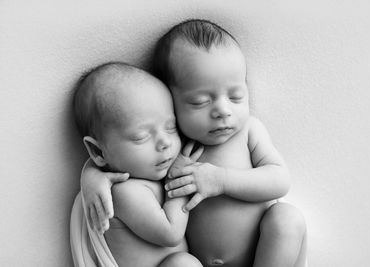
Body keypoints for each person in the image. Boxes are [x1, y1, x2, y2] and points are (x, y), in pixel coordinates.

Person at [81, 20, 307, 267]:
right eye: (200, 101)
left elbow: (279, 180)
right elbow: (121, 165)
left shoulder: (249, 131)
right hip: (194, 262)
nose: (223, 110)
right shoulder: (173, 146)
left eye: (236, 96)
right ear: (171, 103)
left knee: (288, 218)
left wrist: (221, 180)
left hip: (258, 257)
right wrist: (91, 178)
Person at [73, 62, 203, 267]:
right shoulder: (125, 192)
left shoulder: (150, 172)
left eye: (171, 128)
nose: (165, 143)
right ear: (98, 151)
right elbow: (171, 233)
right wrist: (178, 183)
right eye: (141, 137)